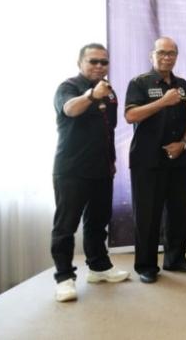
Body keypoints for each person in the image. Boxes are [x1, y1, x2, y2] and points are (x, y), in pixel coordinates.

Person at [51, 43, 130, 302]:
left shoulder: (109, 91)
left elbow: (108, 130)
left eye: (103, 62)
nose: (98, 66)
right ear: (80, 63)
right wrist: (91, 95)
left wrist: (111, 160)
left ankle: (98, 267)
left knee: (98, 222)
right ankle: (64, 278)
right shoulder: (68, 87)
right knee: (66, 226)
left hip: (102, 169)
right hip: (71, 170)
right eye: (93, 61)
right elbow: (70, 109)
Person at [125, 37, 186, 283]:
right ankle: (146, 266)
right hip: (147, 160)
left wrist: (184, 143)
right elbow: (131, 115)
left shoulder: (182, 84)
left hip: (177, 157)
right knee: (147, 214)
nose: (167, 57)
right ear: (152, 55)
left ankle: (175, 259)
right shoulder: (139, 82)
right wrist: (163, 101)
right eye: (162, 53)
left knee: (178, 212)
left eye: (171, 53)